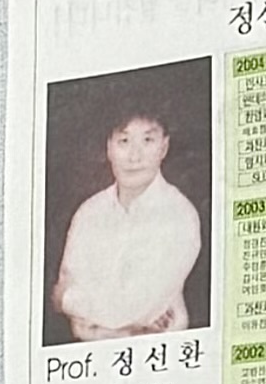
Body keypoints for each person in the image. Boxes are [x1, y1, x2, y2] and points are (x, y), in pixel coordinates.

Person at [54, 104, 202, 338]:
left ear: (164, 147)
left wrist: (69, 302)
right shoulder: (89, 212)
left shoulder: (179, 215)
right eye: (124, 141)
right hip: (88, 353)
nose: (134, 156)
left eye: (147, 140)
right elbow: (68, 285)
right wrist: (130, 326)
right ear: (109, 148)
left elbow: (132, 307)